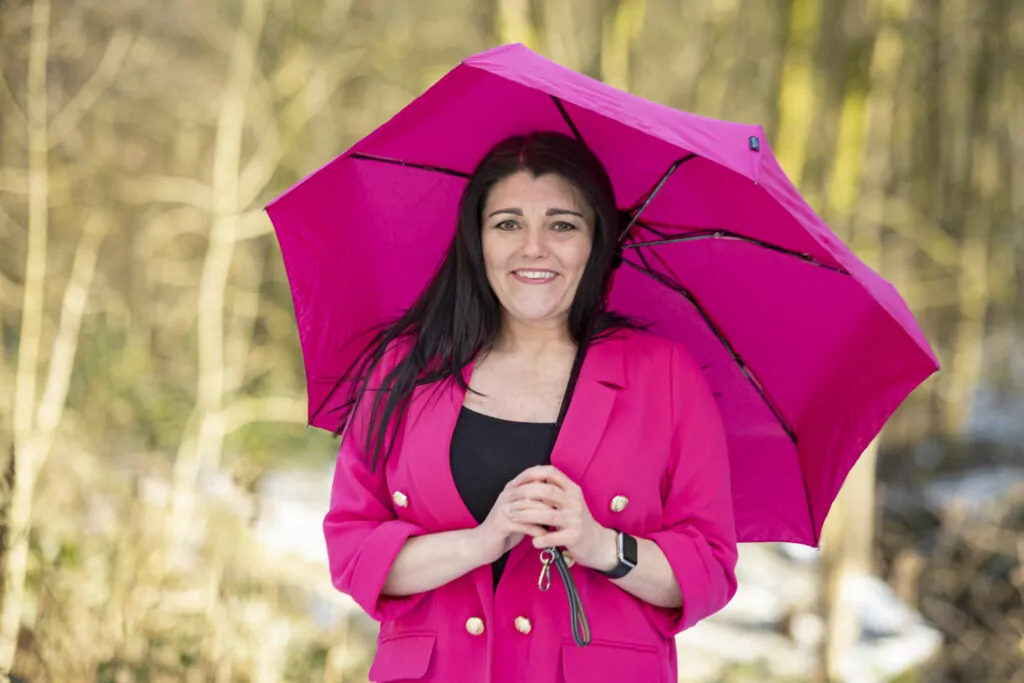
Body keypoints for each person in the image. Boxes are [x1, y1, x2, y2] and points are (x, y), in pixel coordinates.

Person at [323, 132, 738, 683]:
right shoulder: (407, 367)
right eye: (508, 223)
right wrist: (480, 542)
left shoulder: (664, 376)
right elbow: (353, 554)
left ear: (596, 242)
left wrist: (601, 545)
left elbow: (708, 571)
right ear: (478, 240)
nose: (533, 248)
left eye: (562, 225)